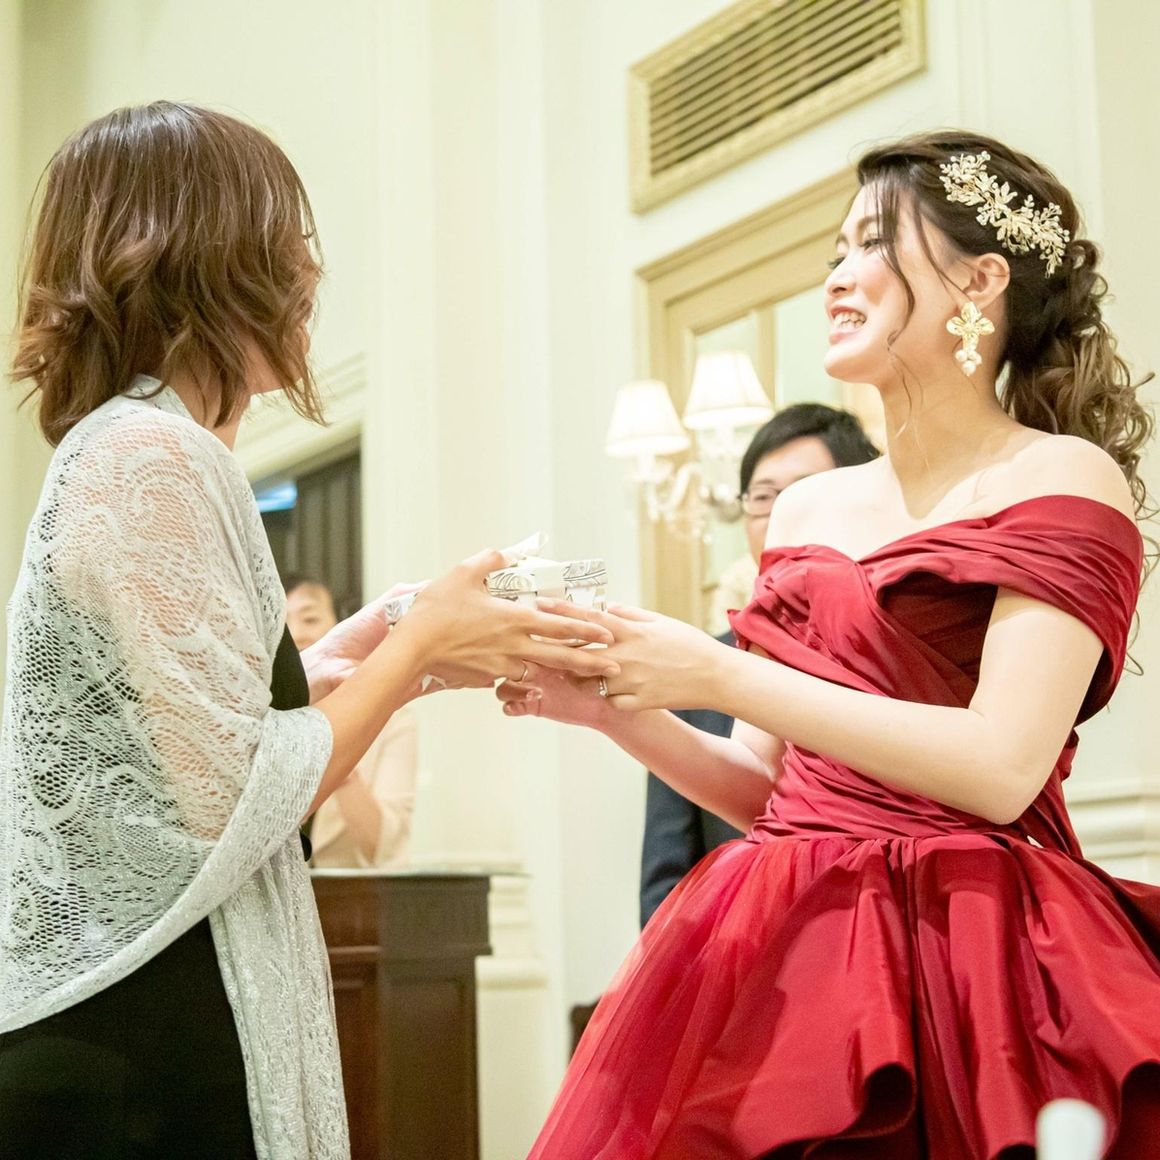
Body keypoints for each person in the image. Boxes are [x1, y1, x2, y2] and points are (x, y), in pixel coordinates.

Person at [500, 130, 1160, 1156]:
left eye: (870, 244)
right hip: (791, 933)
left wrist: (717, 671)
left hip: (971, 942)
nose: (837, 278)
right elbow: (766, 788)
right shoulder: (810, 510)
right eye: (833, 253)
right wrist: (609, 708)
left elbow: (999, 766)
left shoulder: (1061, 478)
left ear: (979, 282)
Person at [0, 101, 618, 1160]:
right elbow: (230, 797)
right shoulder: (151, 452)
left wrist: (375, 648)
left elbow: (190, 736)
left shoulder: (135, 444)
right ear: (205, 256)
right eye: (284, 237)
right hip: (140, 1045)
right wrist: (419, 645)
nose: (308, 271)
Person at [640, 404, 878, 927]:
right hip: (741, 945)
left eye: (803, 493)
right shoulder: (696, 669)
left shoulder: (892, 656)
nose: (781, 516)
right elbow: (668, 878)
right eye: (763, 498)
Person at [285, 575, 417, 868]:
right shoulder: (255, 716)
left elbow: (384, 849)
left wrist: (336, 755)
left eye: (310, 619)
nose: (296, 634)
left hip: (351, 892)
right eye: (281, 625)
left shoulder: (390, 716)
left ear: (341, 624)